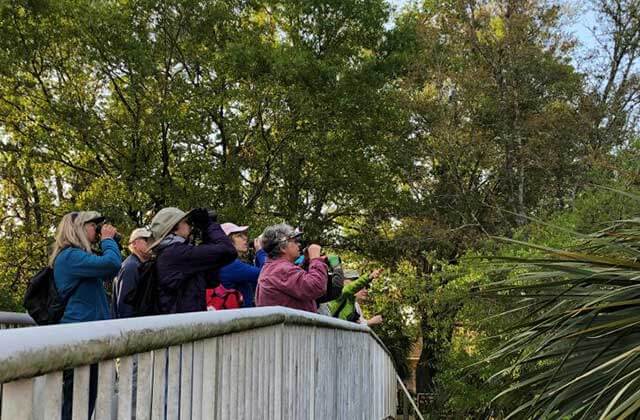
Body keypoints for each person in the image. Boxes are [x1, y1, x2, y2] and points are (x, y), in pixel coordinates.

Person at [49, 211, 122, 420]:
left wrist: (109, 243)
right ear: (78, 229)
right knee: (75, 405)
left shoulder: (79, 258)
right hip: (79, 340)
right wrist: (108, 240)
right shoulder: (70, 256)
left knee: (83, 402)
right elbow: (111, 264)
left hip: (88, 338)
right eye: (93, 225)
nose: (96, 230)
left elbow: (111, 269)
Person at [149, 207, 237, 314]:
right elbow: (228, 251)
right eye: (186, 222)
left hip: (185, 321)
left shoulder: (172, 253)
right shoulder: (175, 253)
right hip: (182, 324)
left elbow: (211, 280)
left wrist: (206, 235)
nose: (190, 225)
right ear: (174, 227)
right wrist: (208, 225)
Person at [255, 223, 327, 312]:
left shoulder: (274, 267)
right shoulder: (281, 270)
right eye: (295, 241)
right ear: (282, 247)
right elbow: (316, 287)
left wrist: (307, 262)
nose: (299, 244)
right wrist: (316, 259)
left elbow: (297, 283)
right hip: (293, 326)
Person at [216, 223, 267, 307]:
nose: (245, 238)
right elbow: (268, 273)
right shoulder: (231, 265)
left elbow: (257, 278)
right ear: (227, 241)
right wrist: (260, 251)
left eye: (244, 235)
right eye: (239, 236)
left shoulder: (223, 261)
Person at [112, 227, 152, 318]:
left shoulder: (137, 264)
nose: (151, 243)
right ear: (134, 243)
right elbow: (125, 307)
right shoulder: (131, 266)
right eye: (146, 239)